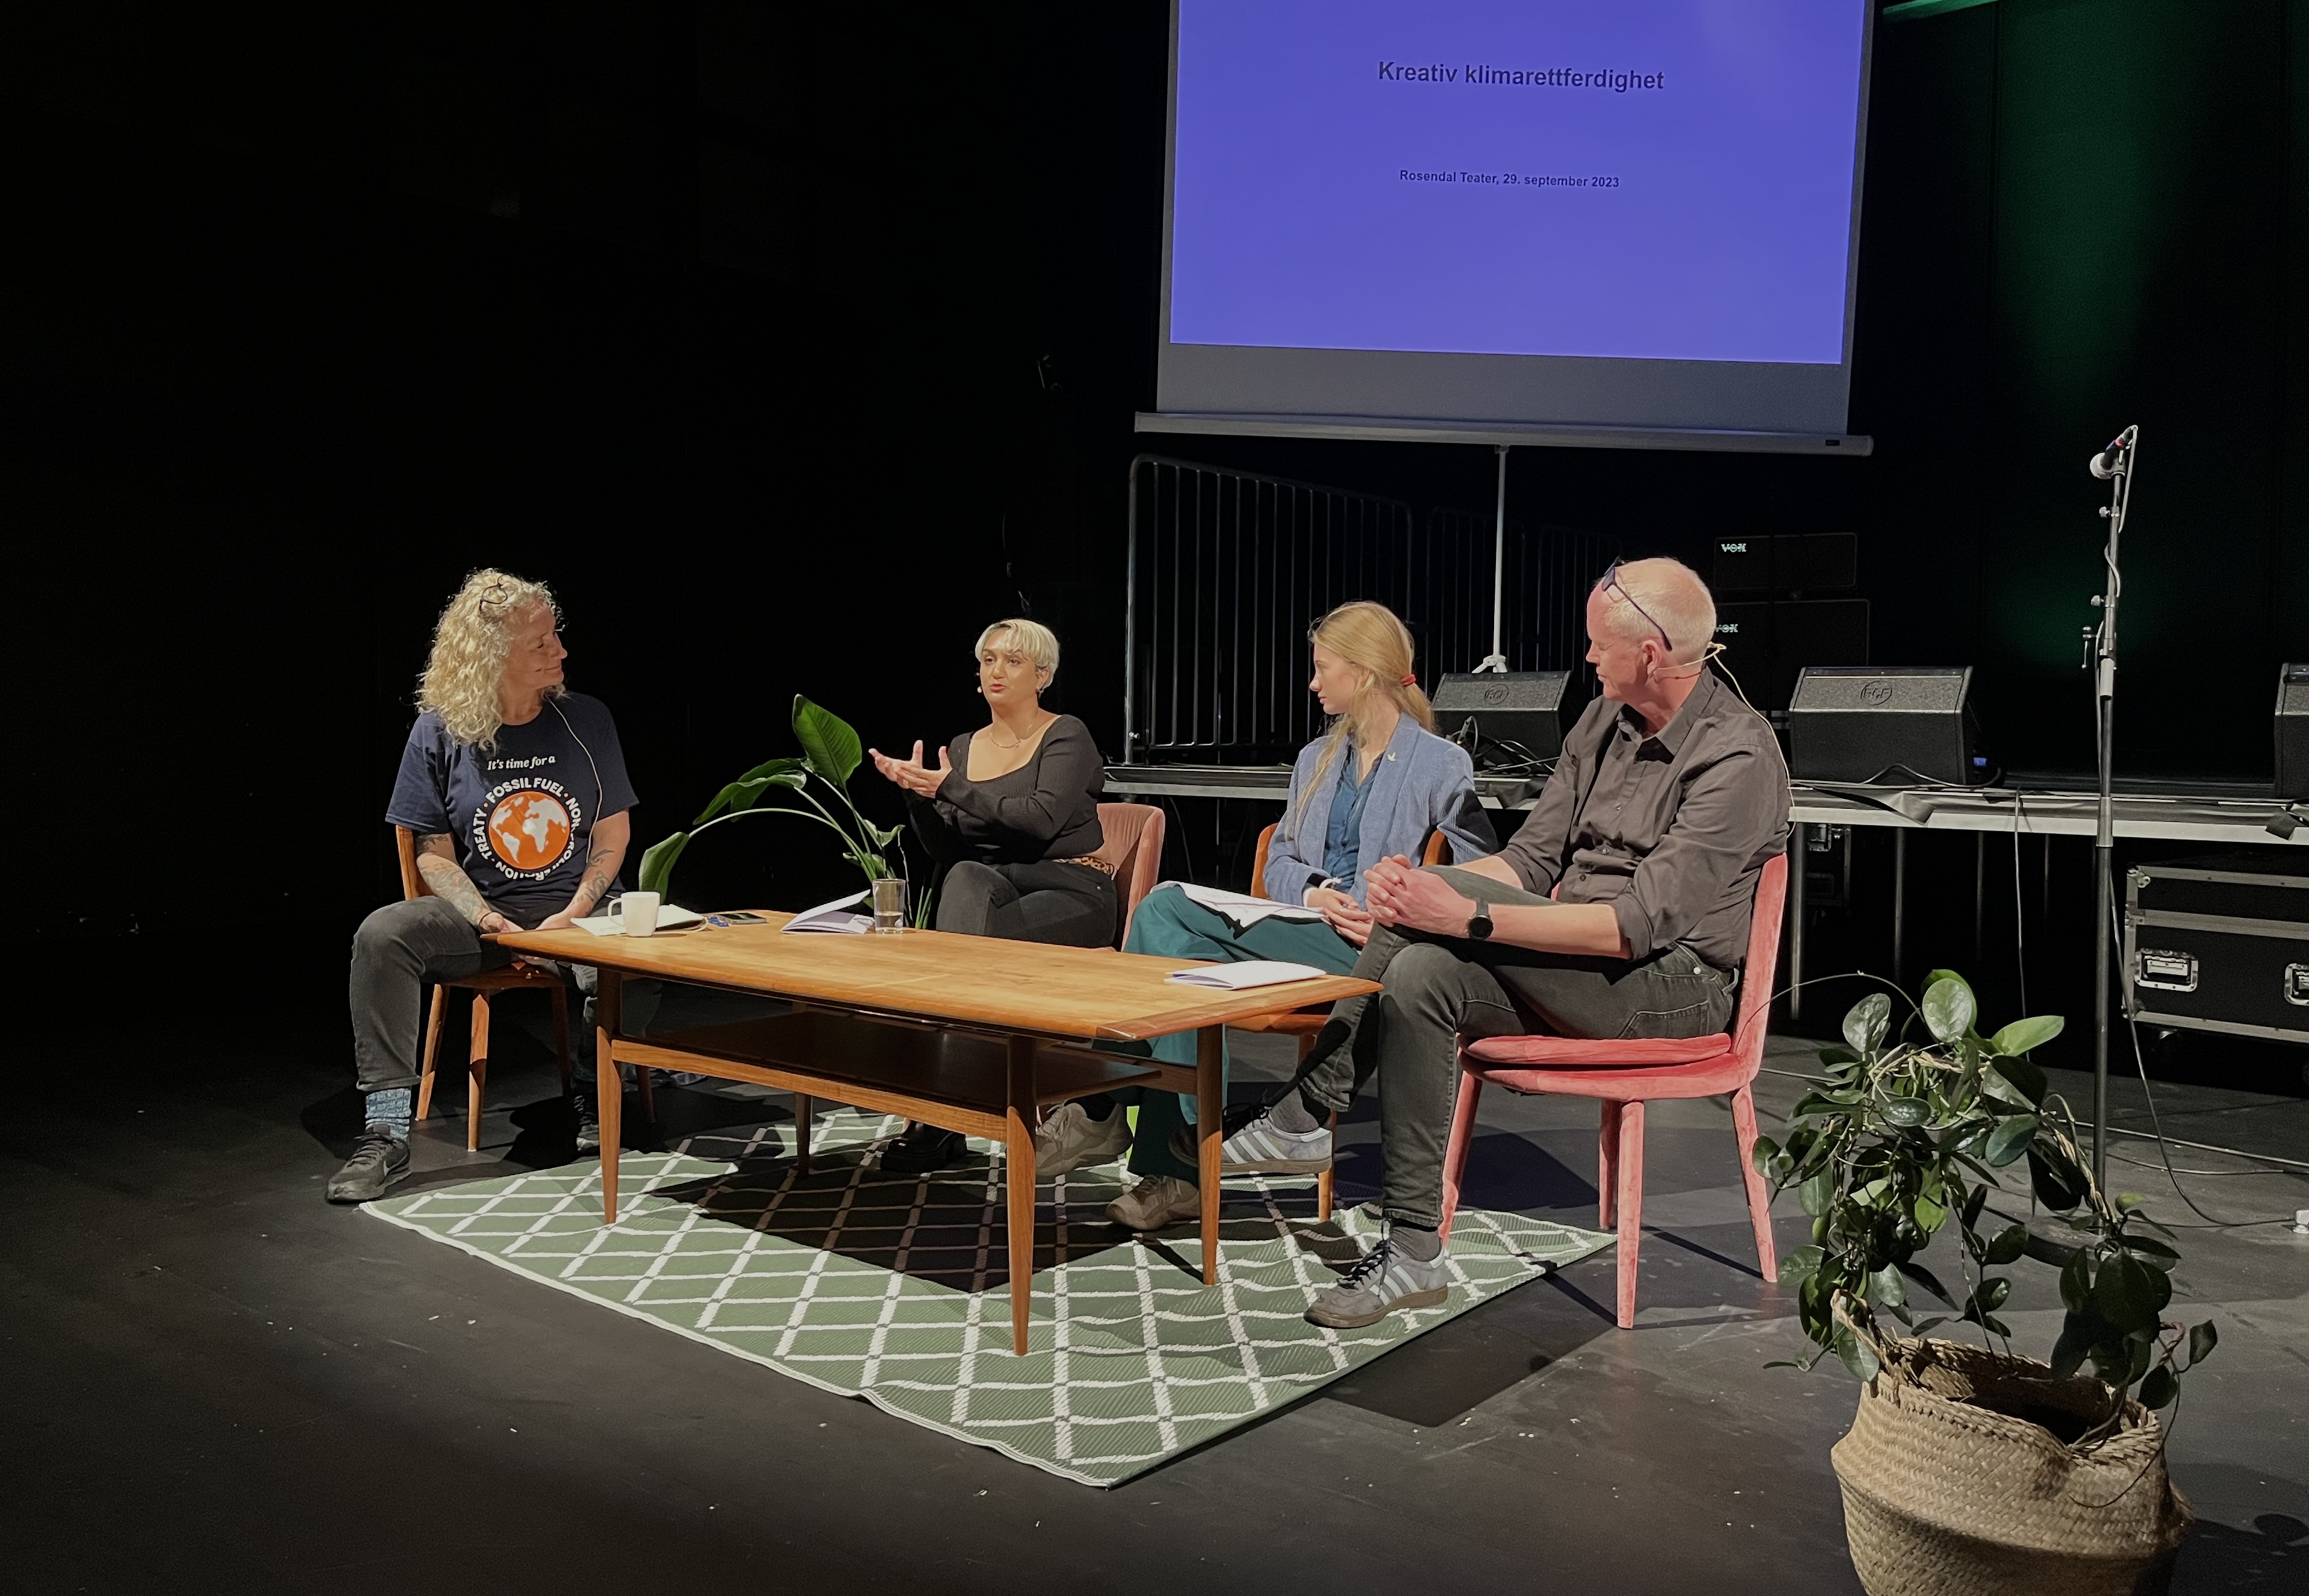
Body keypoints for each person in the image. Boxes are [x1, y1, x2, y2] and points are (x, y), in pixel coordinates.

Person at [1220, 558, 1788, 1327]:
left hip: (1672, 988)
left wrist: (1468, 912)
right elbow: (1528, 862)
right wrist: (1410, 889)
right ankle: (1415, 1251)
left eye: (1597, 645)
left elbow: (1632, 928)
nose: (1586, 658)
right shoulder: (1601, 723)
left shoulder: (1739, 754)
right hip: (1576, 967)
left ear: (1649, 653)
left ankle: (1304, 1113)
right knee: (1419, 968)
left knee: (1438, 914)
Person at [1033, 600, 1495, 1232]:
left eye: (1321, 668)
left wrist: (1404, 899)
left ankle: (1113, 1110)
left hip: (1369, 947)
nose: (1313, 682)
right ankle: (1181, 1163)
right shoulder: (1316, 759)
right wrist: (1310, 893)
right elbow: (1280, 854)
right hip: (1303, 926)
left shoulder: (1440, 762)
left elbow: (1482, 870)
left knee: (1165, 904)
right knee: (1177, 951)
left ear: (1361, 673)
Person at [328, 571, 638, 1204]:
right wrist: (486, 917)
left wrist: (575, 912)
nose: (561, 652)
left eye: (556, 638)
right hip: (484, 919)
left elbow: (612, 835)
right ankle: (386, 1131)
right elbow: (433, 856)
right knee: (382, 934)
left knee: (639, 951)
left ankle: (595, 1095)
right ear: (493, 657)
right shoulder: (439, 732)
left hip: (579, 914)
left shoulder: (587, 719)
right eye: (542, 643)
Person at [868, 617, 1112, 1172]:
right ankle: (955, 1106)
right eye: (989, 660)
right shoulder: (963, 747)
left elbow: (1040, 818)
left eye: (1014, 660)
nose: (997, 670)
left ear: (1042, 675)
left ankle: (939, 1113)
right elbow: (947, 850)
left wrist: (951, 787)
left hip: (1071, 886)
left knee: (962, 947)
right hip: (993, 886)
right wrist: (918, 797)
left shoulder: (1066, 734)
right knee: (962, 882)